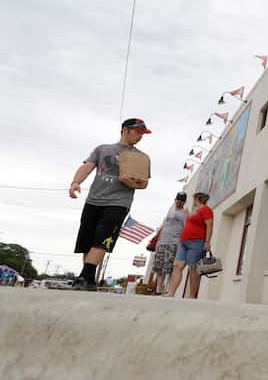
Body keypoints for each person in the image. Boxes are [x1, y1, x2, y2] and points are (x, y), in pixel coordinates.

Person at [68, 118, 151, 291]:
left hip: (119, 203)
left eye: (142, 133)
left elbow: (143, 184)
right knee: (89, 240)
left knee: (103, 237)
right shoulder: (103, 149)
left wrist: (130, 183)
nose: (140, 136)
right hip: (94, 200)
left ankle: (84, 276)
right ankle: (89, 279)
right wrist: (75, 182)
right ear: (125, 130)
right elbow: (88, 166)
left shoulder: (142, 157)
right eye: (138, 132)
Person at [164, 192, 213, 298]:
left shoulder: (206, 210)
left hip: (196, 242)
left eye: (194, 199)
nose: (193, 201)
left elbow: (209, 225)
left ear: (198, 199)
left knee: (193, 269)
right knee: (177, 266)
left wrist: (207, 242)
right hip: (184, 242)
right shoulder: (195, 212)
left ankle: (191, 296)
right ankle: (171, 292)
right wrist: (187, 216)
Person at [150, 191, 189, 295]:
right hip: (162, 242)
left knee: (169, 268)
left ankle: (167, 289)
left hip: (174, 243)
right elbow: (164, 226)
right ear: (175, 199)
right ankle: (158, 290)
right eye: (178, 200)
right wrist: (158, 240)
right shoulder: (170, 211)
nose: (179, 202)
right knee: (159, 267)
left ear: (184, 202)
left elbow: (185, 228)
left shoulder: (185, 213)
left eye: (182, 201)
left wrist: (180, 244)